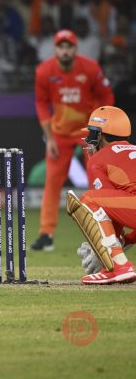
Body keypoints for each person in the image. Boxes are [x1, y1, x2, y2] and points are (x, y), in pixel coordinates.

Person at [33, 29, 114, 251]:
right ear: (55, 49)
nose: (65, 50)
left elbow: (107, 97)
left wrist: (99, 132)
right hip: (59, 135)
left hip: (87, 133)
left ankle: (104, 231)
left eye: (69, 47)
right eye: (61, 46)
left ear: (75, 49)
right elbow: (41, 104)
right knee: (52, 184)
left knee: (97, 182)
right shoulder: (44, 71)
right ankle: (46, 234)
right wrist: (48, 138)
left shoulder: (90, 68)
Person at [71, 106, 136, 284]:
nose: (89, 139)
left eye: (92, 133)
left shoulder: (98, 160)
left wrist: (101, 249)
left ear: (100, 135)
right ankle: (116, 264)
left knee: (89, 199)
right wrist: (125, 240)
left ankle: (118, 266)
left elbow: (110, 214)